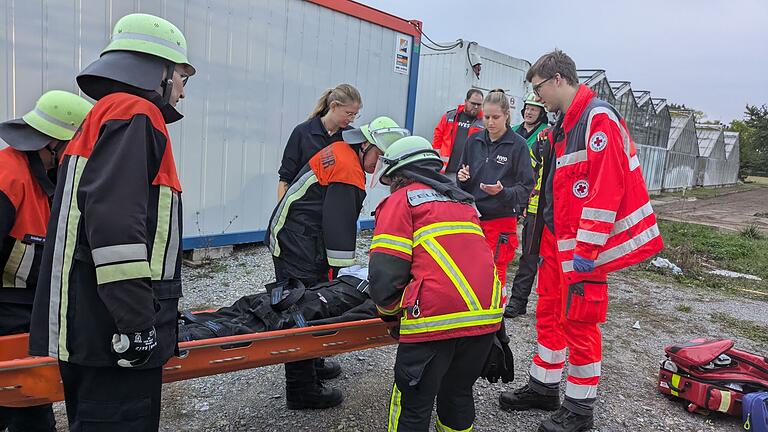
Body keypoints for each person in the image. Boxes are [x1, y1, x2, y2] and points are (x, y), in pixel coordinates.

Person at [29, 13, 196, 431]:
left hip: (91, 325)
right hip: (113, 334)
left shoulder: (105, 114)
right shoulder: (136, 114)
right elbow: (116, 228)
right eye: (181, 78)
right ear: (157, 69)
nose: (181, 91)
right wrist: (137, 323)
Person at [498, 50, 663, 432]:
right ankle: (544, 386)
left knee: (580, 323)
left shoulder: (596, 119)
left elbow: (605, 191)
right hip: (559, 241)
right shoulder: (565, 124)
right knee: (550, 314)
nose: (537, 98)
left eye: (538, 88)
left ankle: (580, 407)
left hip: (581, 249)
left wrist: (588, 250)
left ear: (557, 79)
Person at [265, 116, 408, 410]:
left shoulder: (342, 152)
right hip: (299, 243)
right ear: (365, 145)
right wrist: (346, 276)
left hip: (297, 236)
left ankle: (313, 362)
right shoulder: (347, 169)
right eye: (379, 156)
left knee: (312, 299)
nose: (378, 166)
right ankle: (301, 388)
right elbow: (339, 227)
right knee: (301, 307)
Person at [368, 135, 503, 432]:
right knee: (457, 394)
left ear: (398, 175)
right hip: (485, 319)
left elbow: (386, 274)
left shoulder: (401, 201)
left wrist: (390, 315)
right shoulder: (463, 202)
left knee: (413, 403)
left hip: (433, 322)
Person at [0, 90, 92, 432]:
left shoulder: (46, 181)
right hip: (8, 318)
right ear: (54, 144)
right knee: (26, 410)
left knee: (30, 407)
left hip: (28, 317)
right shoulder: (8, 179)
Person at [457, 89, 534, 289]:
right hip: (472, 218)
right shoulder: (473, 141)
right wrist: (462, 179)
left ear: (507, 116)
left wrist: (502, 193)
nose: (490, 122)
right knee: (468, 271)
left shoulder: (518, 145)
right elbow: (462, 176)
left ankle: (494, 319)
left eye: (496, 117)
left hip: (501, 220)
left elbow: (526, 187)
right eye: (487, 117)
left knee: (494, 275)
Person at [505, 93, 550, 318]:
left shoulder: (546, 136)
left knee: (536, 258)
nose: (529, 112)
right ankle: (517, 301)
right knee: (525, 254)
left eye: (535, 109)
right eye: (527, 108)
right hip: (521, 200)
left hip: (544, 206)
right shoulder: (513, 132)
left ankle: (540, 304)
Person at [277, 84, 362, 200]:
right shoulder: (302, 133)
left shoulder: (352, 138)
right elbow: (285, 178)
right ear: (333, 106)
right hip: (302, 209)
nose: (352, 119)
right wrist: (281, 212)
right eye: (348, 113)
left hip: (335, 207)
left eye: (355, 115)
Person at [432, 89, 485, 178]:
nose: (476, 107)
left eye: (479, 104)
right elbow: (437, 138)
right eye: (473, 103)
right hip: (445, 171)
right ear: (465, 101)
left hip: (467, 174)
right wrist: (435, 162)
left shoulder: (484, 122)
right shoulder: (450, 116)